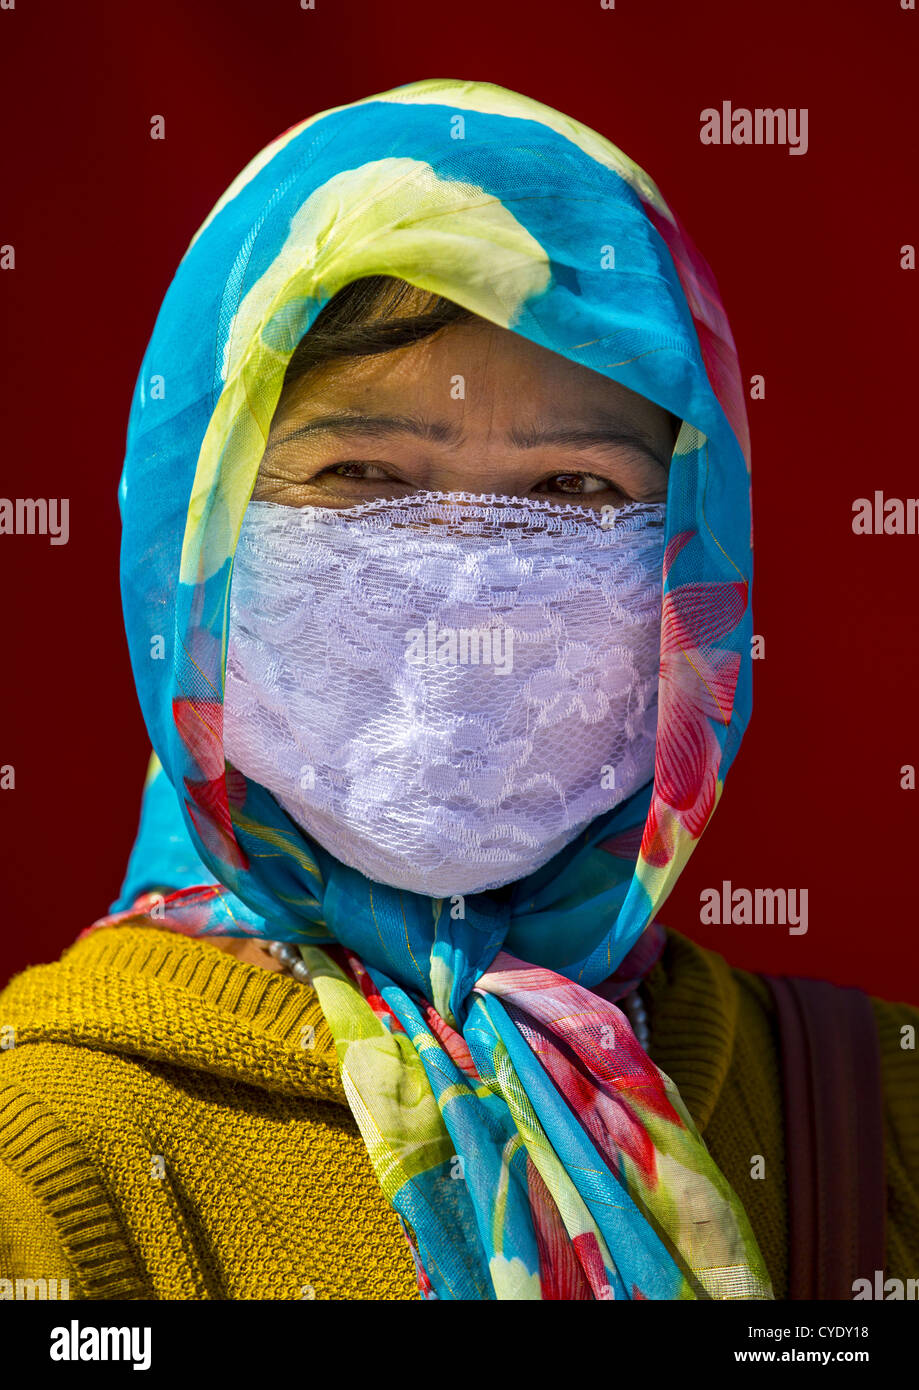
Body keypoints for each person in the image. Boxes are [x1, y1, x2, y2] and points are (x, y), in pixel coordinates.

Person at [0, 78, 916, 1302]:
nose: (469, 583)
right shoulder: (55, 1158)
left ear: (699, 555)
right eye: (362, 471)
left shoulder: (868, 1110)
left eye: (575, 490)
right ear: (194, 543)